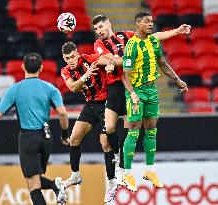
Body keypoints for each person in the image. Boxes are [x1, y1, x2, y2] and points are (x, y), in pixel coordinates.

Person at [92, 14, 191, 186]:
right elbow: (104, 59)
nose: (99, 31)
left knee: (136, 128)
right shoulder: (99, 44)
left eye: (101, 27)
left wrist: (176, 31)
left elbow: (152, 37)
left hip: (135, 86)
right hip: (118, 87)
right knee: (110, 128)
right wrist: (111, 62)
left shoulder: (126, 36)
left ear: (108, 24)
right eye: (96, 29)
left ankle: (129, 169)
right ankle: (118, 158)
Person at [122, 11, 188, 192]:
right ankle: (127, 173)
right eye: (147, 21)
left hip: (152, 90)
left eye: (152, 21)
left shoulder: (153, 41)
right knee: (134, 129)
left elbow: (162, 62)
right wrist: (133, 94)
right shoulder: (131, 46)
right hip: (137, 91)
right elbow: (124, 76)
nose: (151, 24)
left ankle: (150, 171)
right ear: (138, 24)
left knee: (151, 130)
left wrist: (177, 80)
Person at [0, 53, 70, 205]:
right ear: (41, 68)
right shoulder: (50, 88)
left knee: (33, 184)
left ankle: (55, 185)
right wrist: (65, 135)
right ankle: (55, 185)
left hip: (28, 138)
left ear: (23, 67)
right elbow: (62, 112)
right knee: (33, 177)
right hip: (46, 138)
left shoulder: (15, 89)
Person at [60, 42, 118, 203]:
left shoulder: (91, 59)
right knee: (74, 138)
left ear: (77, 54)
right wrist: (85, 76)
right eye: (66, 58)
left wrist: (109, 65)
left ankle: (112, 182)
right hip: (91, 105)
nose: (70, 61)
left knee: (105, 143)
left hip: (107, 103)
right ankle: (75, 175)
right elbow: (73, 88)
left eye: (72, 57)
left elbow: (107, 59)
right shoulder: (65, 70)